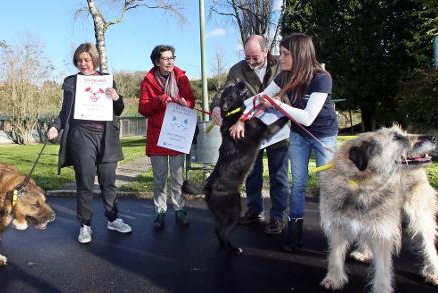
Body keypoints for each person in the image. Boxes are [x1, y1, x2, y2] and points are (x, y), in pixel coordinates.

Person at [229, 33, 337, 252]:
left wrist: (277, 105)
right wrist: (237, 116)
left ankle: (333, 237)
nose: (282, 58)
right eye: (281, 52)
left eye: (286, 54)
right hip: (298, 135)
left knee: (328, 186)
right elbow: (258, 99)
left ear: (300, 54)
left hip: (323, 135)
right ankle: (293, 235)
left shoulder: (322, 78)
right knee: (298, 185)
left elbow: (308, 117)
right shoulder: (284, 75)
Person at [48, 43, 132, 244]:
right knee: (85, 182)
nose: (83, 64)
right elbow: (64, 112)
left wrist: (116, 97)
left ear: (94, 59)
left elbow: (119, 109)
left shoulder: (107, 80)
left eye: (86, 59)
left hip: (106, 137)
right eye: (79, 60)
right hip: (81, 136)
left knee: (108, 181)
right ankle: (85, 225)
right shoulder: (71, 82)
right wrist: (54, 127)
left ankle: (113, 219)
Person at [210, 35, 291, 235]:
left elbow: (292, 92)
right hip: (249, 131)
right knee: (252, 174)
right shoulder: (238, 70)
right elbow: (224, 91)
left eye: (255, 57)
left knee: (278, 174)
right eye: (247, 57)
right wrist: (216, 107)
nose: (251, 62)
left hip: (278, 129)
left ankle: (277, 216)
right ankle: (255, 210)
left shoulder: (282, 66)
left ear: (266, 51)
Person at [138, 45, 196, 230]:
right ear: (157, 61)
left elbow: (191, 100)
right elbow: (143, 109)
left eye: (172, 57)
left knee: (178, 176)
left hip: (177, 133)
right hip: (157, 136)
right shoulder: (147, 82)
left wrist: (185, 103)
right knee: (160, 177)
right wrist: (158, 100)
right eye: (165, 58)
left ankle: (179, 209)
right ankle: (160, 211)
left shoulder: (181, 78)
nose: (170, 61)